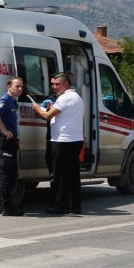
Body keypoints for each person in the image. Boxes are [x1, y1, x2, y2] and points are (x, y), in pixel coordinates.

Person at [31, 72, 84, 215]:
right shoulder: (76, 97)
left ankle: (59, 206)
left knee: (59, 176)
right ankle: (74, 206)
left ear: (66, 84)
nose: (54, 87)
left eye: (57, 84)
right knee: (72, 175)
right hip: (75, 140)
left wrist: (37, 108)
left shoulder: (65, 98)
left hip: (62, 141)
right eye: (52, 84)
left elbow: (47, 116)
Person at [0, 77, 26, 217]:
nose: (19, 89)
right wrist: (5, 131)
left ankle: (1, 205)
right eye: (17, 86)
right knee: (6, 174)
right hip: (5, 141)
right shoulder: (5, 100)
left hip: (12, 141)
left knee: (10, 173)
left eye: (21, 86)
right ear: (9, 87)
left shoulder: (13, 101)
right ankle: (7, 206)